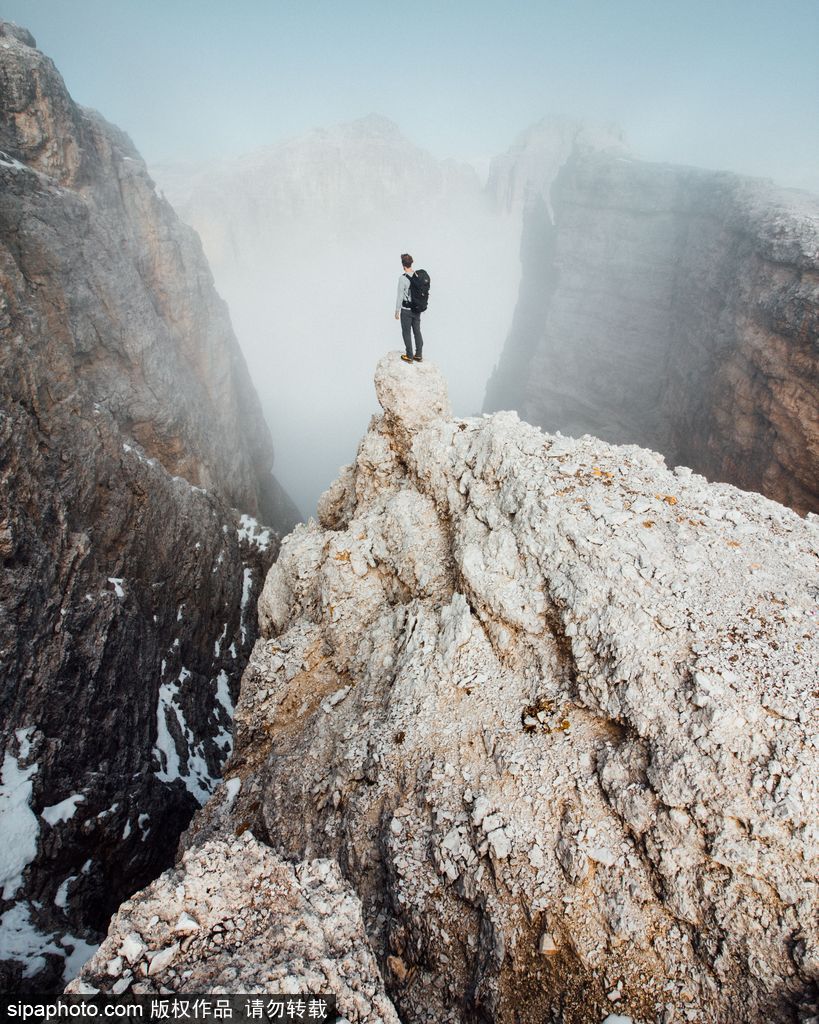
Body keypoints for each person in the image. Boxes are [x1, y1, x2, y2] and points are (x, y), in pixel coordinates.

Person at [394, 252, 423, 363]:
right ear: (411, 263)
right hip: (417, 309)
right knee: (417, 331)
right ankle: (419, 354)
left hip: (406, 311)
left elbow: (400, 295)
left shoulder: (403, 278)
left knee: (406, 332)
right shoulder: (417, 276)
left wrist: (397, 311)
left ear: (403, 265)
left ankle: (409, 356)